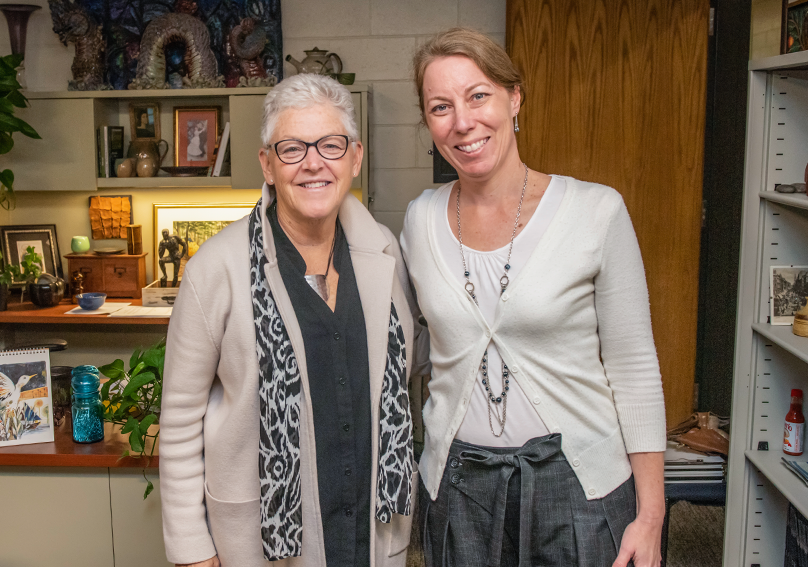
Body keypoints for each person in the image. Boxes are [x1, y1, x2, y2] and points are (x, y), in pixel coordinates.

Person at [401, 28, 666, 567]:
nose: (462, 122)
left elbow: (634, 366)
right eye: (440, 106)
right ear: (429, 123)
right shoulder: (419, 220)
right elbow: (411, 347)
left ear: (514, 98)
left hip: (579, 489)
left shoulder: (597, 212)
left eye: (479, 95)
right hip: (459, 489)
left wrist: (651, 513)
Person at [159, 73, 421, 567]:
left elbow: (411, 369)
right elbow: (178, 419)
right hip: (262, 540)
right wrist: (192, 549)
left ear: (355, 157)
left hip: (371, 527)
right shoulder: (215, 268)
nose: (314, 163)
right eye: (293, 148)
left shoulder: (385, 252)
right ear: (268, 164)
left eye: (331, 145)